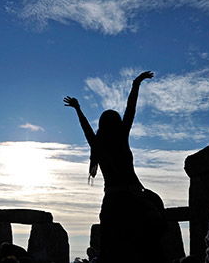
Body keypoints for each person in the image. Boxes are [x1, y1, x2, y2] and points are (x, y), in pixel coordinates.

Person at [65, 70, 166, 263]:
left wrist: (78, 109)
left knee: (110, 246)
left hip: (112, 199)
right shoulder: (121, 137)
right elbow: (131, 109)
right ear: (118, 122)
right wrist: (136, 84)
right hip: (134, 195)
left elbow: (86, 128)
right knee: (150, 240)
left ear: (101, 126)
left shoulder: (97, 144)